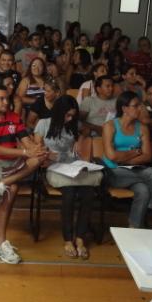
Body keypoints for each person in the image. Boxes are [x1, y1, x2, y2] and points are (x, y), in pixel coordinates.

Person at [0, 85, 47, 263]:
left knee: (39, 158)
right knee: (11, 189)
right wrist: (24, 153)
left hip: (12, 162)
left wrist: (36, 149)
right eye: (1, 99)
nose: (6, 102)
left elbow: (25, 141)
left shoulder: (14, 118)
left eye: (7, 98)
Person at [33, 95, 102, 259]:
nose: (69, 118)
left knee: (88, 193)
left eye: (72, 115)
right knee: (69, 193)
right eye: (67, 115)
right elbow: (37, 150)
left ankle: (80, 238)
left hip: (72, 166)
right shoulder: (43, 124)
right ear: (58, 112)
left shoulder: (73, 125)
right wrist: (49, 156)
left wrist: (81, 139)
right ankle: (67, 239)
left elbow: (85, 129)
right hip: (53, 168)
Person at [102, 91, 152, 227]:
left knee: (144, 191)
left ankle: (134, 228)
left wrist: (124, 160)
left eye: (140, 105)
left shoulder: (142, 128)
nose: (140, 108)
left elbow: (147, 156)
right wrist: (135, 152)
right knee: (151, 173)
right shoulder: (110, 126)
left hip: (133, 170)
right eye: (136, 106)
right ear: (124, 109)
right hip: (111, 171)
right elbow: (111, 156)